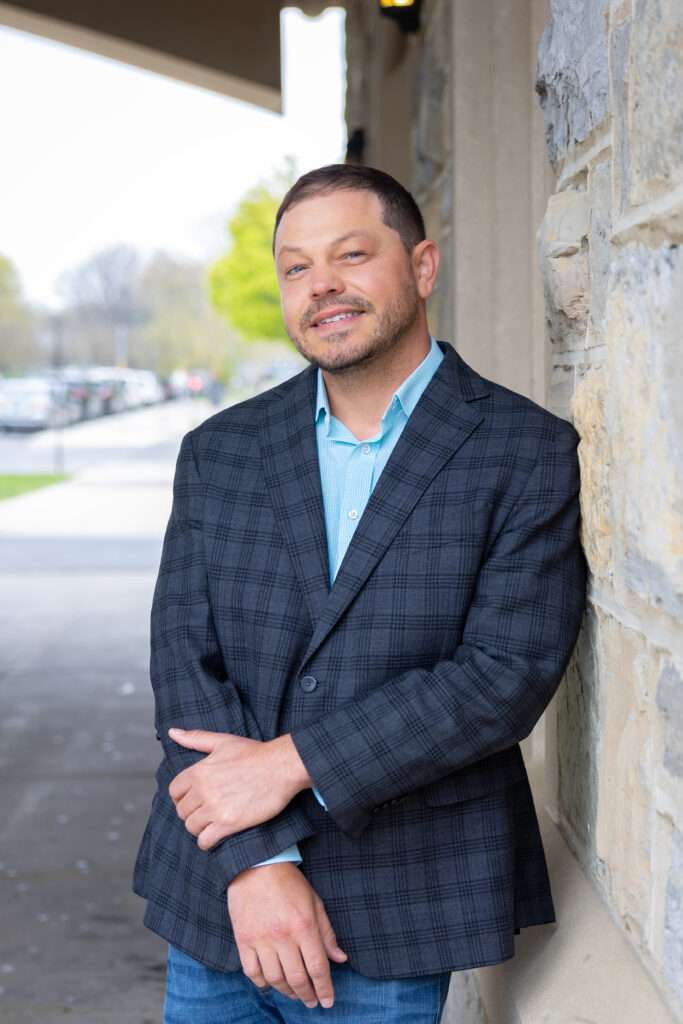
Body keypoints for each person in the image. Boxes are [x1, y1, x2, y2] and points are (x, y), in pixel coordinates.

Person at [132, 163, 587, 1022]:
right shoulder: (219, 452)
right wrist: (260, 865)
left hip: (401, 904)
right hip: (220, 898)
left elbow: (501, 677)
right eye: (296, 267)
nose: (322, 287)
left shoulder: (523, 451)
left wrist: (288, 764)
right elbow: (183, 668)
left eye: (349, 254)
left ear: (420, 267)